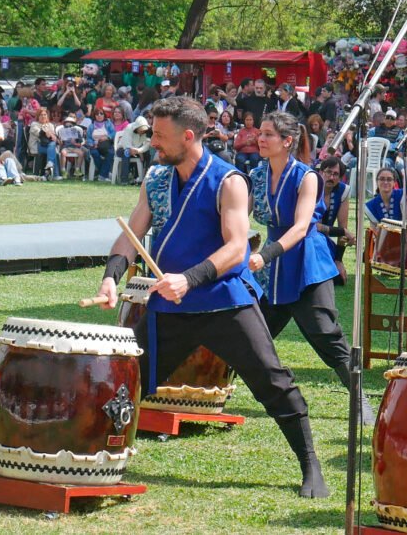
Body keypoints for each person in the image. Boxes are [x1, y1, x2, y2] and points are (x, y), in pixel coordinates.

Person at [94, 96, 330, 498]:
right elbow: (131, 234)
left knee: (274, 382)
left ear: (189, 136)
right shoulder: (155, 179)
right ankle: (98, 458)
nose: (153, 142)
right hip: (170, 305)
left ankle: (310, 465)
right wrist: (111, 277)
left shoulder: (229, 181)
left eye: (161, 136)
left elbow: (237, 247)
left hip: (225, 302)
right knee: (127, 382)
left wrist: (189, 278)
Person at [247, 112, 375, 426]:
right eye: (260, 133)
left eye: (268, 134)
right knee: (249, 334)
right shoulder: (256, 173)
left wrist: (266, 255)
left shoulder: (307, 177)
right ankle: (215, 391)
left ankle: (361, 403)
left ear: (287, 141)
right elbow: (241, 214)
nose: (260, 139)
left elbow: (304, 226)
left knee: (327, 336)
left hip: (306, 264)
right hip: (273, 267)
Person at [317, 158, 355, 284]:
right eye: (328, 172)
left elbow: (343, 228)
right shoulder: (311, 187)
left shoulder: (342, 191)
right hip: (305, 239)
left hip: (324, 242)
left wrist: (339, 260)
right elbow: (311, 226)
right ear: (321, 172)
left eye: (336, 174)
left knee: (337, 279)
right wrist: (342, 231)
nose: (331, 177)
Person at [28, 107, 60, 180]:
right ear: (38, 116)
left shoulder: (50, 125)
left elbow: (54, 138)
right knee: (53, 148)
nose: (43, 116)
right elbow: (40, 134)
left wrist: (51, 135)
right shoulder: (34, 124)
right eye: (41, 115)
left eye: (45, 115)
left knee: (52, 146)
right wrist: (49, 134)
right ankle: (55, 174)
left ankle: (48, 169)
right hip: (37, 146)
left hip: (47, 146)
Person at [86, 108, 115, 182]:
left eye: (101, 113)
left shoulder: (108, 123)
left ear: (104, 115)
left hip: (106, 145)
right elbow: (88, 138)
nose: (99, 115)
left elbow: (113, 133)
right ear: (94, 116)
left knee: (111, 153)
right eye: (97, 114)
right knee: (94, 153)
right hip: (95, 146)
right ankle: (105, 174)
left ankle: (101, 175)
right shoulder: (91, 126)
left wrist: (107, 137)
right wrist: (92, 144)